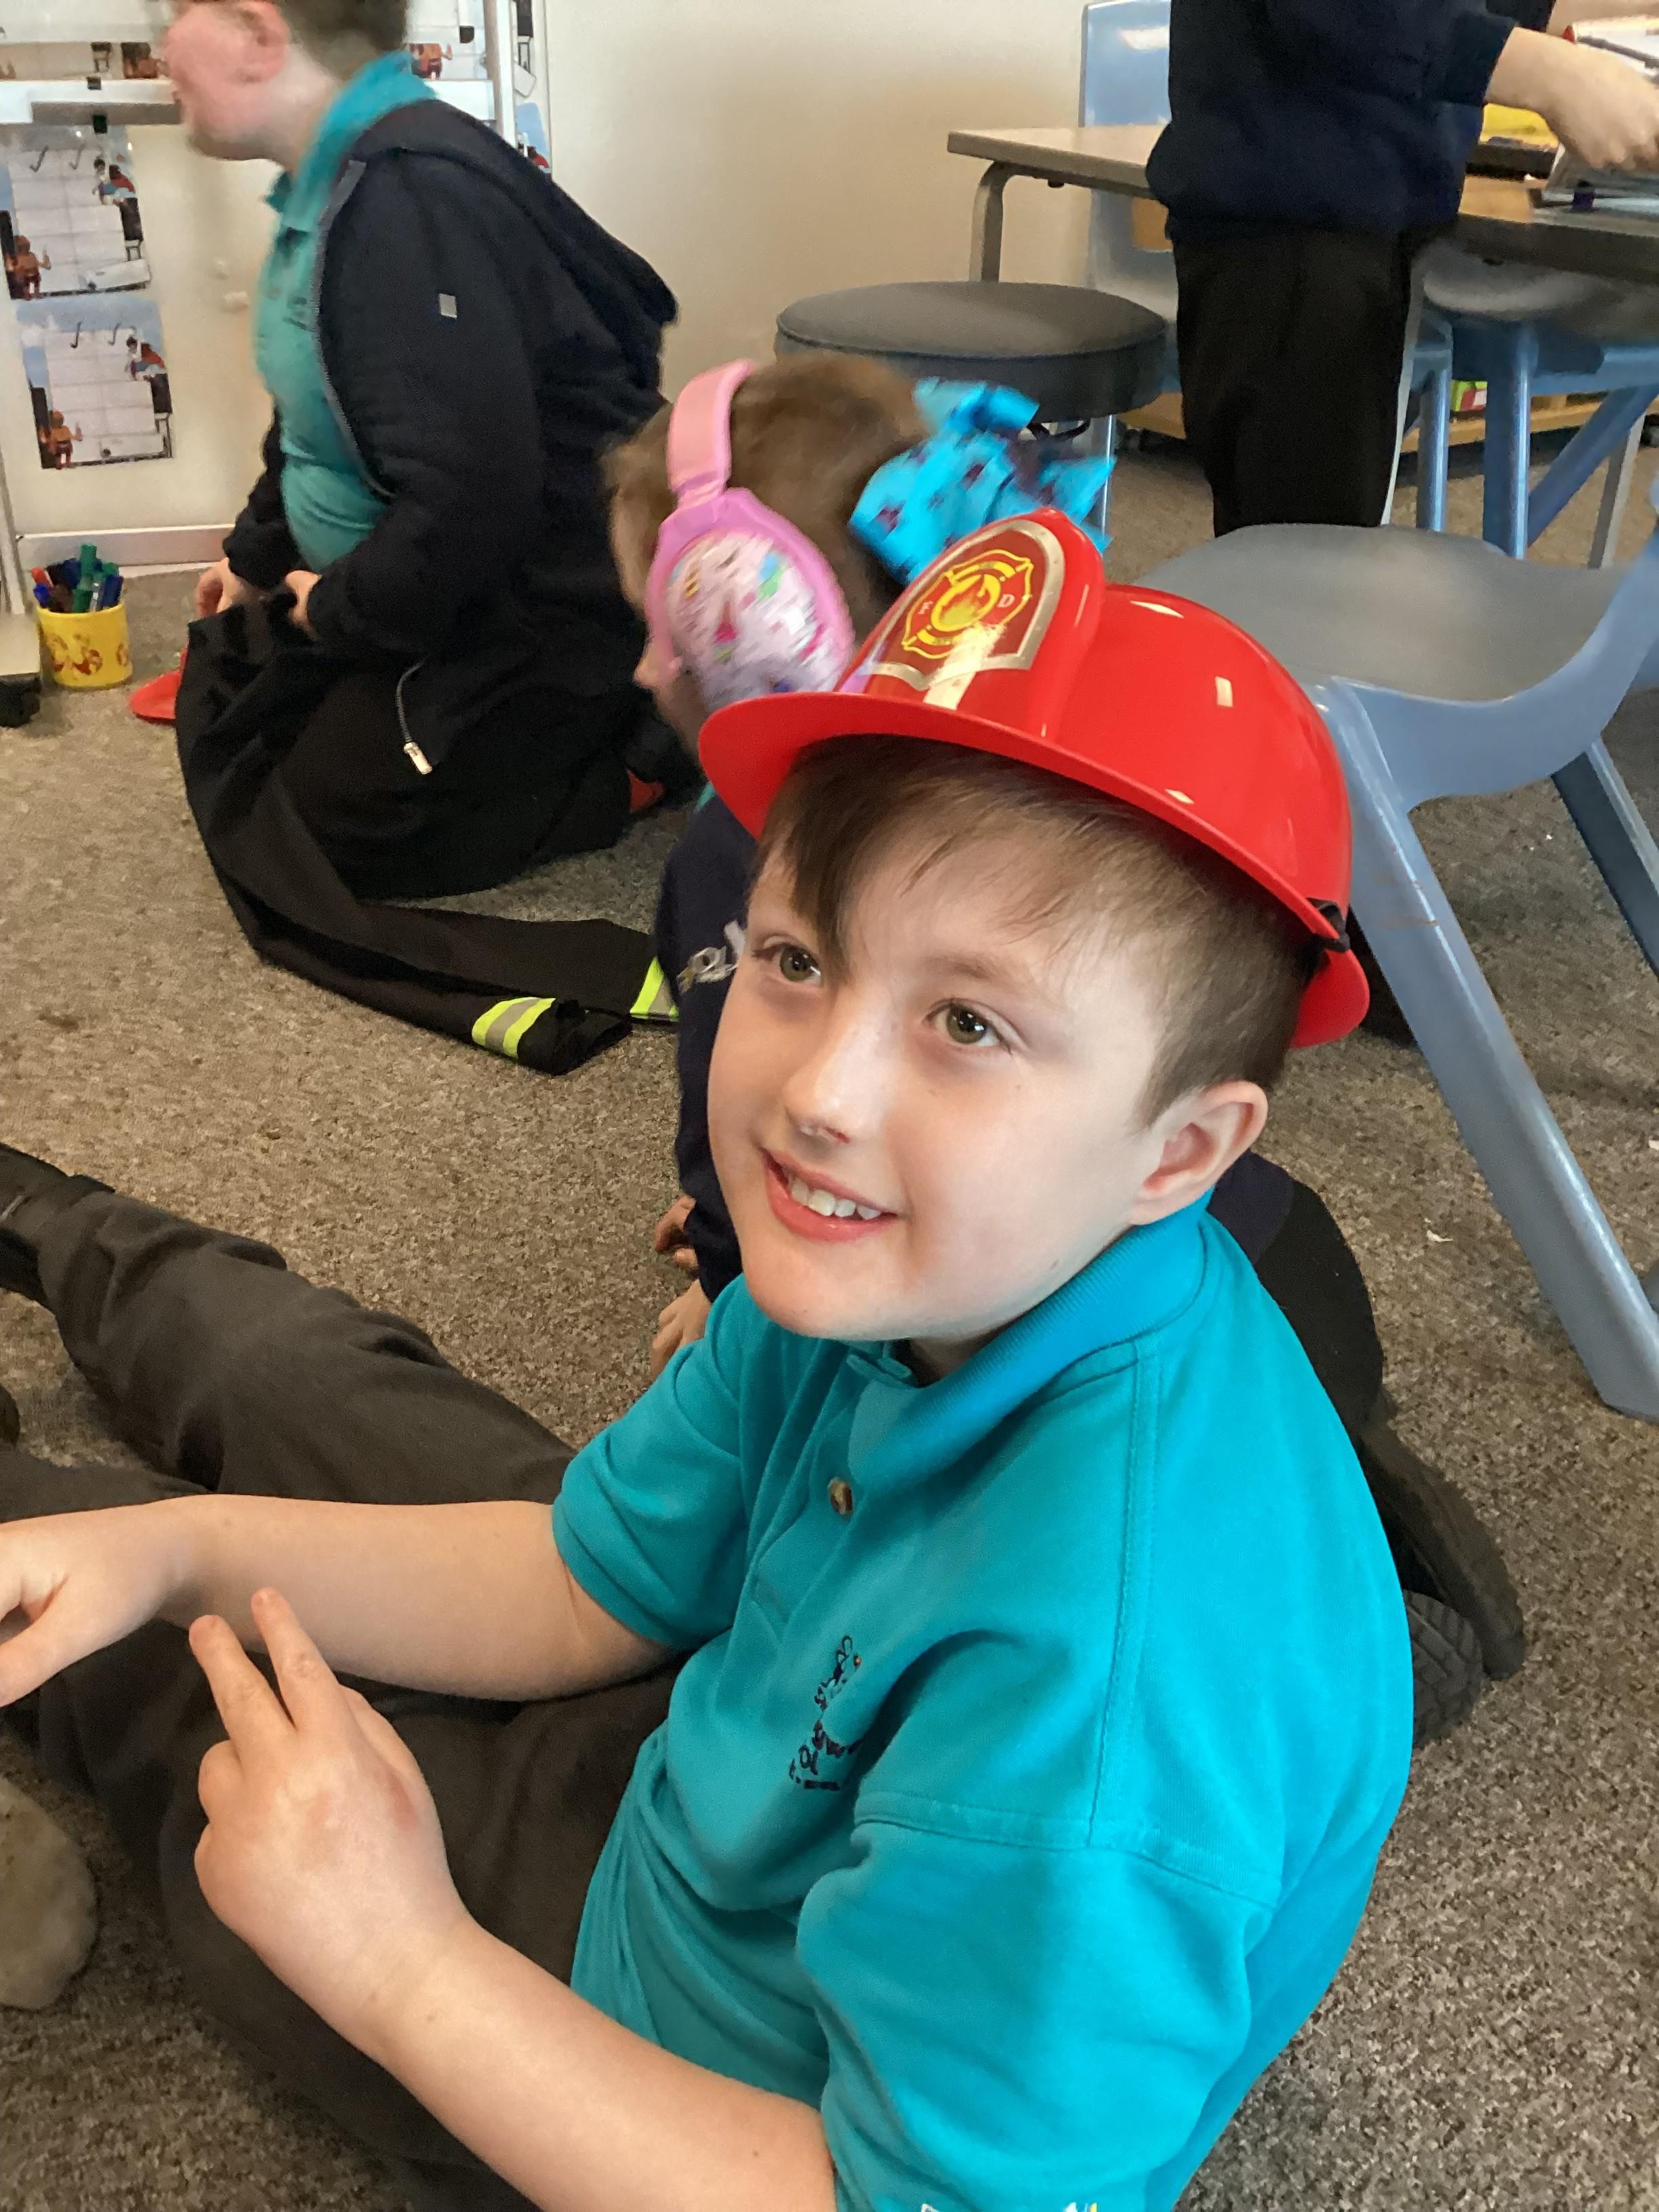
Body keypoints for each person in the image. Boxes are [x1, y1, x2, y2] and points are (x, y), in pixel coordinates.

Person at [0, 519, 1411, 2211]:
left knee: (201, 1743)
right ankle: (45, 1217)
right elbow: (584, 1579)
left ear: (1178, 1152)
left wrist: (395, 1961)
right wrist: (176, 1545)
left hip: (669, 2067)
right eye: (798, 960)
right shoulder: (913, 1256)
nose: (817, 1094)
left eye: (968, 1023)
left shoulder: (1105, 1705)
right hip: (731, 1734)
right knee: (295, 1384)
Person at [612, 354, 1522, 1731]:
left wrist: (734, 1267)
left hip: (1115, 1350)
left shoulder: (735, 859)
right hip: (1270, 1262)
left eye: (661, 623)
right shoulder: (1056, 836)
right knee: (1207, 1467)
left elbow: (738, 1108)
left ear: (753, 628)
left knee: (1018, 1546)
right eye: (798, 966)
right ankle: (1349, 1492)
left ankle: (1359, 1619)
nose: (644, 665)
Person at [160, 0, 686, 1063]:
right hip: (431, 577)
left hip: (537, 608)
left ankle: (636, 761)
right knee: (237, 719)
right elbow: (319, 419)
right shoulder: (341, 182)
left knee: (322, 831)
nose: (162, 45)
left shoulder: (404, 206)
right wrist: (257, 557)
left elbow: (473, 504)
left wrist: (337, 612)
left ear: (261, 34)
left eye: (178, 13)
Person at [1147, 0, 1659, 535]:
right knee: (1302, 555)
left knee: (1325, 542)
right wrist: (1551, 72)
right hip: (1295, 231)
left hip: (1372, 223)